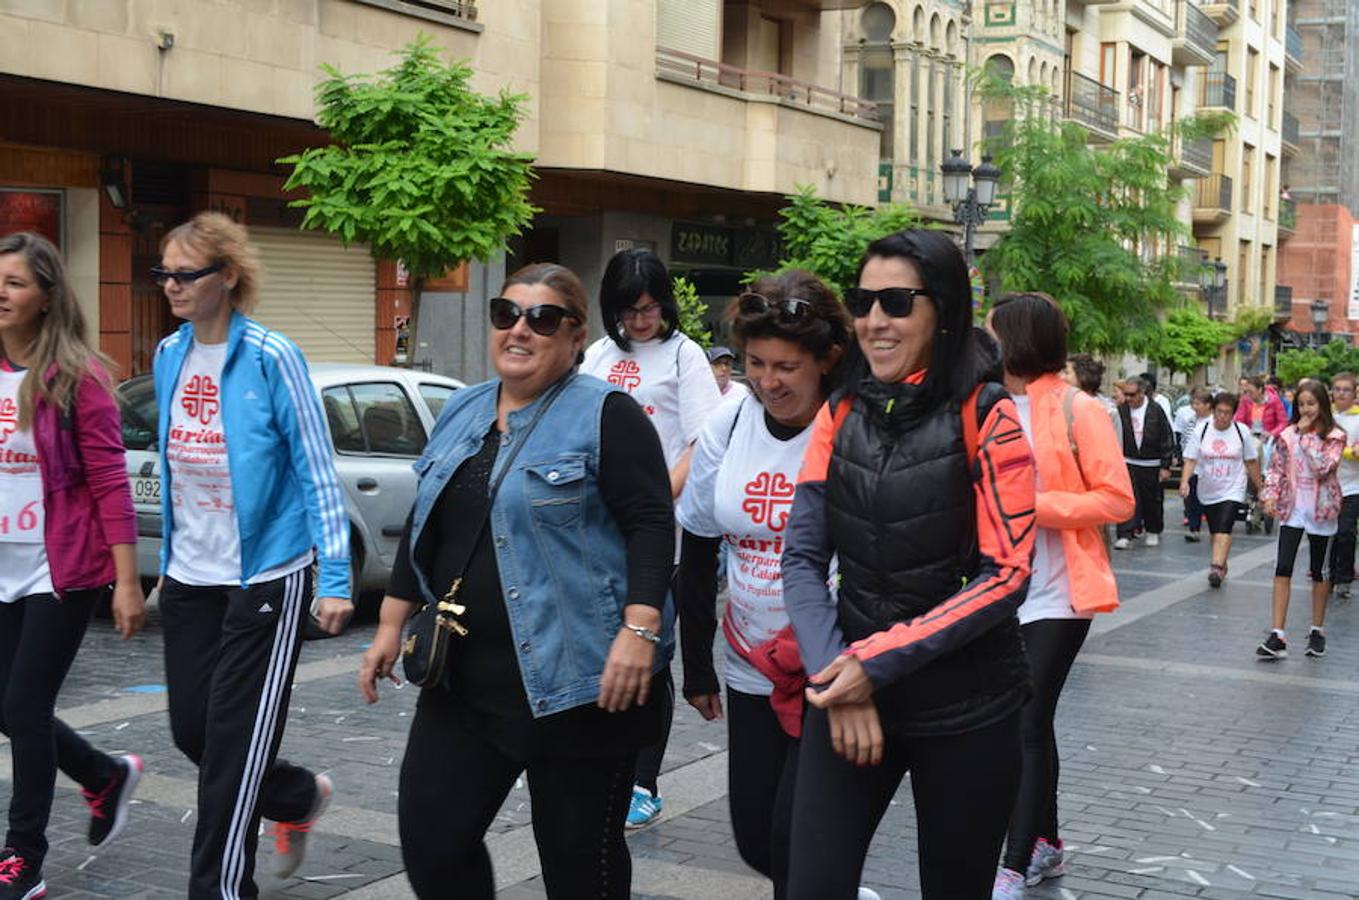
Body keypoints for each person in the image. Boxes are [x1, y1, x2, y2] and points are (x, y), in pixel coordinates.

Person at [358, 263, 675, 899]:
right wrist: (390, 624)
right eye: (507, 314)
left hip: (582, 684)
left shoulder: (606, 415)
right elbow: (428, 521)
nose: (520, 330)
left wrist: (640, 630)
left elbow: (651, 522)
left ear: (575, 335)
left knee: (580, 867)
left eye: (543, 318)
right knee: (434, 843)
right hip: (465, 682)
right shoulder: (465, 409)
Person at [781, 230, 1037, 898]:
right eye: (863, 302)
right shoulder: (839, 411)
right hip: (848, 698)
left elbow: (1006, 574)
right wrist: (838, 678)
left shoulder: (990, 416)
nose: (873, 321)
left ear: (941, 310)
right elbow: (802, 560)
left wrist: (873, 664)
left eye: (895, 302)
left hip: (968, 709)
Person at [151, 212, 353, 898]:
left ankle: (220, 889)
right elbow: (176, 462)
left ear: (227, 277)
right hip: (189, 577)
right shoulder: (168, 354)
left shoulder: (272, 355)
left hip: (265, 574)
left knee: (232, 755)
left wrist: (335, 577)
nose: (171, 286)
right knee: (192, 733)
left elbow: (316, 468)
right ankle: (293, 795)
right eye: (165, 274)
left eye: (186, 274)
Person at [675, 272, 852, 898]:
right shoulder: (730, 421)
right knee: (755, 836)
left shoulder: (852, 425)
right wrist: (695, 664)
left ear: (827, 359)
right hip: (751, 663)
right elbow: (696, 541)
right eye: (756, 364)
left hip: (834, 668)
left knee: (793, 839)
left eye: (787, 366)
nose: (769, 381)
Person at [0, 233, 147, 900]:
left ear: (47, 296)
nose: (1, 292)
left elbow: (111, 482)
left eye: (15, 282)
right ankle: (103, 775)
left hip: (61, 568)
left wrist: (125, 580)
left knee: (26, 708)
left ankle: (22, 857)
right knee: (7, 707)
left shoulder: (78, 376)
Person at [986, 293, 1134, 900]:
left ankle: (1013, 863)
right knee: (1031, 721)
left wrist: (1035, 508)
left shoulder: (1079, 409)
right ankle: (1046, 842)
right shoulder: (983, 404)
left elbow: (1117, 499)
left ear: (1019, 340)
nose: (983, 342)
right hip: (996, 593)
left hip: (1059, 593)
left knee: (1025, 715)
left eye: (993, 334)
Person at [580, 248, 720, 826]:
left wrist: (655, 501)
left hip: (664, 532)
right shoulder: (598, 356)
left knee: (654, 653)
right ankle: (602, 761)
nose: (642, 321)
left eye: (652, 309)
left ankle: (644, 779)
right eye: (630, 311)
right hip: (602, 531)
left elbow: (702, 441)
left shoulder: (684, 357)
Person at [1258, 379, 1345, 660]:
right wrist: (1269, 495)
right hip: (1292, 509)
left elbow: (1323, 467)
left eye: (1312, 404)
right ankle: (1277, 634)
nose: (1306, 410)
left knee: (1318, 571)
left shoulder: (1335, 436)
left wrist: (1308, 436)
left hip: (1320, 511)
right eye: (1301, 404)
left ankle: (1317, 630)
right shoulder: (1287, 435)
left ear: (1322, 405)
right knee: (1283, 567)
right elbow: (1276, 470)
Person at [1180, 392, 1262, 588]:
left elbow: (1251, 461)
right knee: (1216, 529)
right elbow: (1191, 458)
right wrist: (1184, 481)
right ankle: (1221, 564)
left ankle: (1215, 566)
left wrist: (1260, 487)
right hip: (1208, 487)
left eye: (1226, 413)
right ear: (1213, 410)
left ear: (1233, 414)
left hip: (1233, 487)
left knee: (1225, 525)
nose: (1222, 416)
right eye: (1218, 412)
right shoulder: (1202, 429)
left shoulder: (1241, 431)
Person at [1113, 377, 1175, 550]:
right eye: (1126, 395)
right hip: (1128, 461)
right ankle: (1125, 533)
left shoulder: (1156, 410)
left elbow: (1166, 437)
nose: (1129, 399)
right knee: (1127, 499)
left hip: (1151, 462)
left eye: (1132, 395)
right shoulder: (1121, 410)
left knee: (1151, 499)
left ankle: (1153, 529)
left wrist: (1165, 465)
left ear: (1141, 393)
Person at [1328, 373, 1359, 598]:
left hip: (1352, 485)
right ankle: (1327, 574)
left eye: (1345, 389)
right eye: (1337, 389)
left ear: (1354, 393)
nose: (1340, 393)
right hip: (1326, 485)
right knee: (1328, 533)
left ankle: (1343, 577)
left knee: (1346, 531)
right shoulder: (1324, 416)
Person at [1176, 388, 1214, 542]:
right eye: (1193, 403)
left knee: (1208, 499)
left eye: (1198, 403)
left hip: (1208, 467)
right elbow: (1185, 439)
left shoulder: (1213, 422)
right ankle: (1194, 527)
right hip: (1192, 465)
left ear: (1208, 405)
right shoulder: (1191, 421)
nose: (1195, 407)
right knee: (1192, 499)